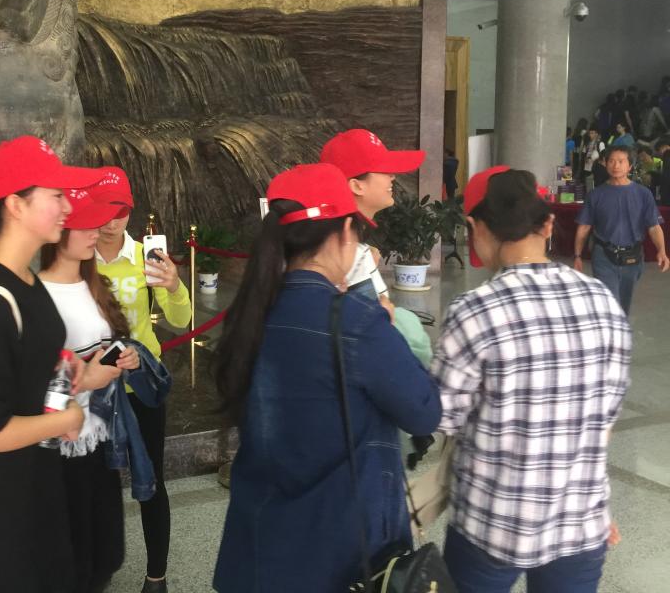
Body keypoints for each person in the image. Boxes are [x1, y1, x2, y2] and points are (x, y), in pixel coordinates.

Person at [212, 162, 441, 593]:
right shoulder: (357, 320)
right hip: (341, 554)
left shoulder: (248, 316)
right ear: (344, 233)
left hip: (258, 547)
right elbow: (424, 412)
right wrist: (395, 331)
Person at [433, 166, 631, 593]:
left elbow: (443, 416)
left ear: (476, 228)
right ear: (548, 224)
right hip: (579, 522)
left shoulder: (474, 310)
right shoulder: (603, 301)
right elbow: (605, 421)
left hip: (491, 524)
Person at [0, 135, 104, 593]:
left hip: (32, 487)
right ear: (15, 204)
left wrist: (60, 366)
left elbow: (28, 355)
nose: (69, 207)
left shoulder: (25, 280)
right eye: (56, 196)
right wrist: (67, 419)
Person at [40, 189, 143, 593]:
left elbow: (106, 344)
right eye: (83, 225)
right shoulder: (38, 295)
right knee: (73, 546)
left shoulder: (92, 284)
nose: (94, 232)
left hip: (100, 429)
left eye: (94, 224)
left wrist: (123, 357)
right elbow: (33, 379)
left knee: (104, 545)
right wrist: (86, 378)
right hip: (61, 439)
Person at [93, 167, 191, 593]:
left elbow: (180, 320)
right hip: (95, 388)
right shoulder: (78, 257)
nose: (111, 221)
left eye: (119, 211)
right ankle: (98, 566)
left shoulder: (144, 257)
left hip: (142, 387)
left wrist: (174, 285)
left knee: (150, 480)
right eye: (103, 210)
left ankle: (157, 576)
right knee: (97, 484)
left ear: (130, 212)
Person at [319, 127, 425, 321]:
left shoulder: (343, 246)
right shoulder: (349, 254)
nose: (393, 177)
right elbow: (374, 324)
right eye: (384, 170)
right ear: (357, 186)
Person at [574, 145, 670, 315]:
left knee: (624, 305)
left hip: (632, 257)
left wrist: (661, 251)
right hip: (603, 255)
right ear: (605, 164)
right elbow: (584, 227)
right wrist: (577, 255)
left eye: (621, 161)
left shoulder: (643, 194)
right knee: (610, 303)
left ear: (630, 166)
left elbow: (654, 227)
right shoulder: (596, 195)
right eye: (611, 161)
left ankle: (618, 329)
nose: (616, 165)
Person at [582, 124, 605, 192]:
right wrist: (586, 159)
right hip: (587, 167)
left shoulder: (600, 143)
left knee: (596, 185)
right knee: (588, 185)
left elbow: (603, 156)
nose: (590, 135)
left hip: (596, 168)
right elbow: (583, 155)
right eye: (590, 133)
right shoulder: (587, 144)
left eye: (592, 133)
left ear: (596, 134)